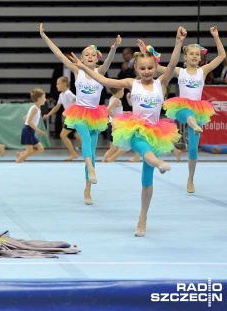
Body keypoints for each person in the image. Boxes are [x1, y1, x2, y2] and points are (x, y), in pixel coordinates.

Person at [68, 26, 185, 237]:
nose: (147, 72)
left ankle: (143, 218)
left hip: (157, 132)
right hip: (136, 129)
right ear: (136, 70)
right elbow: (104, 81)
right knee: (144, 151)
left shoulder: (161, 82)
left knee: (146, 181)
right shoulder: (132, 83)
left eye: (150, 68)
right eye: (143, 69)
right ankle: (158, 163)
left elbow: (174, 63)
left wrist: (178, 42)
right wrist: (84, 69)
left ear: (155, 67)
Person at [41, 23, 120, 206]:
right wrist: (45, 37)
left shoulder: (100, 71)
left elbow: (109, 61)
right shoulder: (78, 71)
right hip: (80, 113)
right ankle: (91, 169)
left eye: (93, 55)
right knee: (84, 139)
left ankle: (87, 189)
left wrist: (114, 48)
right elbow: (60, 55)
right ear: (82, 59)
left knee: (91, 150)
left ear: (96, 58)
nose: (90, 57)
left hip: (96, 114)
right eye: (87, 55)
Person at [156, 27, 225, 193]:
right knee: (188, 113)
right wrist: (147, 51)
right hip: (181, 108)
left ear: (200, 58)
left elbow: (222, 56)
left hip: (199, 109)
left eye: (197, 54)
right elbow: (158, 68)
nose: (195, 56)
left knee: (193, 149)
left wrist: (216, 36)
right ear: (185, 57)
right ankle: (193, 124)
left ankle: (190, 179)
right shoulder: (180, 71)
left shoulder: (203, 71)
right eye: (191, 54)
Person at [42, 76, 80, 160]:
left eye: (58, 84)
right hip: (71, 118)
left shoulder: (68, 93)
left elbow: (78, 102)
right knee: (77, 135)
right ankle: (87, 153)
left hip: (73, 117)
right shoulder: (62, 95)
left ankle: (74, 153)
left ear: (64, 84)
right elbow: (57, 107)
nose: (56, 86)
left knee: (63, 135)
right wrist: (48, 115)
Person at [16, 88, 47, 163]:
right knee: (29, 152)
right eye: (44, 97)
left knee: (40, 149)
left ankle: (22, 154)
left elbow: (25, 118)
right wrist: (38, 130)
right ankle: (17, 162)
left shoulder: (36, 108)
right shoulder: (35, 109)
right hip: (28, 130)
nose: (45, 99)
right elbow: (29, 121)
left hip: (30, 131)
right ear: (39, 99)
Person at [102, 87, 125, 162]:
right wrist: (116, 118)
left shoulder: (113, 98)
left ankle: (106, 160)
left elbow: (117, 111)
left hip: (112, 124)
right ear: (119, 91)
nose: (123, 93)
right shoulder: (116, 100)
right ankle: (106, 160)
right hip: (114, 125)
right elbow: (108, 109)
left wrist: (124, 113)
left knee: (114, 148)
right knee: (115, 148)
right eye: (123, 90)